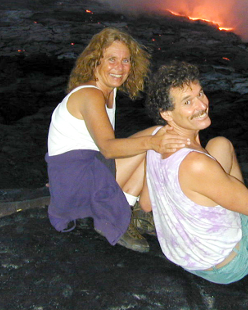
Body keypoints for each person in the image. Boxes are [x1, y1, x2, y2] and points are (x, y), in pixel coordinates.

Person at [139, 61, 248, 284]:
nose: (201, 105)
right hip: (224, 264)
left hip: (184, 253)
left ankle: (233, 200)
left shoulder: (157, 139)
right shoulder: (196, 164)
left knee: (221, 144)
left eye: (200, 93)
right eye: (187, 102)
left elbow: (146, 204)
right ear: (167, 113)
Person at [45, 28, 189, 253]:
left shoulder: (108, 92)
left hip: (79, 177)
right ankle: (124, 218)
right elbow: (108, 149)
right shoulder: (90, 95)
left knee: (157, 134)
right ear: (95, 62)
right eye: (111, 60)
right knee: (154, 138)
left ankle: (129, 209)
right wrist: (152, 144)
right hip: (77, 186)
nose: (119, 68)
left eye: (126, 61)